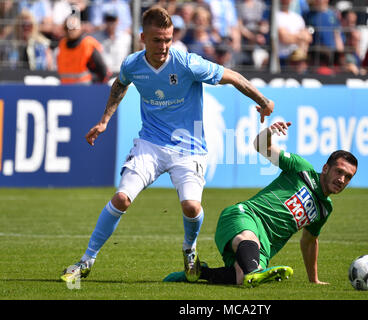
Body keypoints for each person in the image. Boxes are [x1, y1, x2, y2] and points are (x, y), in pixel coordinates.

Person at [60, 6, 274, 284]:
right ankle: (86, 260)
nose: (163, 46)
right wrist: (104, 121)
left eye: (168, 39)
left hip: (189, 149)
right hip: (150, 143)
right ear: (143, 38)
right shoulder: (133, 64)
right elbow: (119, 85)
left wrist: (262, 101)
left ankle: (190, 251)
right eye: (157, 40)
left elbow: (232, 76)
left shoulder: (186, 63)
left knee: (191, 207)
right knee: (121, 198)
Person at [163, 121, 358, 287]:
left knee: (242, 279)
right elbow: (261, 146)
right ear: (326, 168)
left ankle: (199, 273)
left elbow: (309, 241)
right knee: (250, 250)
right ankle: (253, 268)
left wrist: (313, 279)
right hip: (246, 217)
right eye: (339, 172)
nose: (341, 179)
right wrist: (269, 132)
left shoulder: (325, 209)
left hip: (264, 247)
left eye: (348, 177)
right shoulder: (302, 169)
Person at [56, 14, 110, 84]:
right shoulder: (62, 44)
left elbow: (102, 70)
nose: (70, 31)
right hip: (65, 88)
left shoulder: (88, 44)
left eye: (73, 28)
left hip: (85, 89)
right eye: (67, 28)